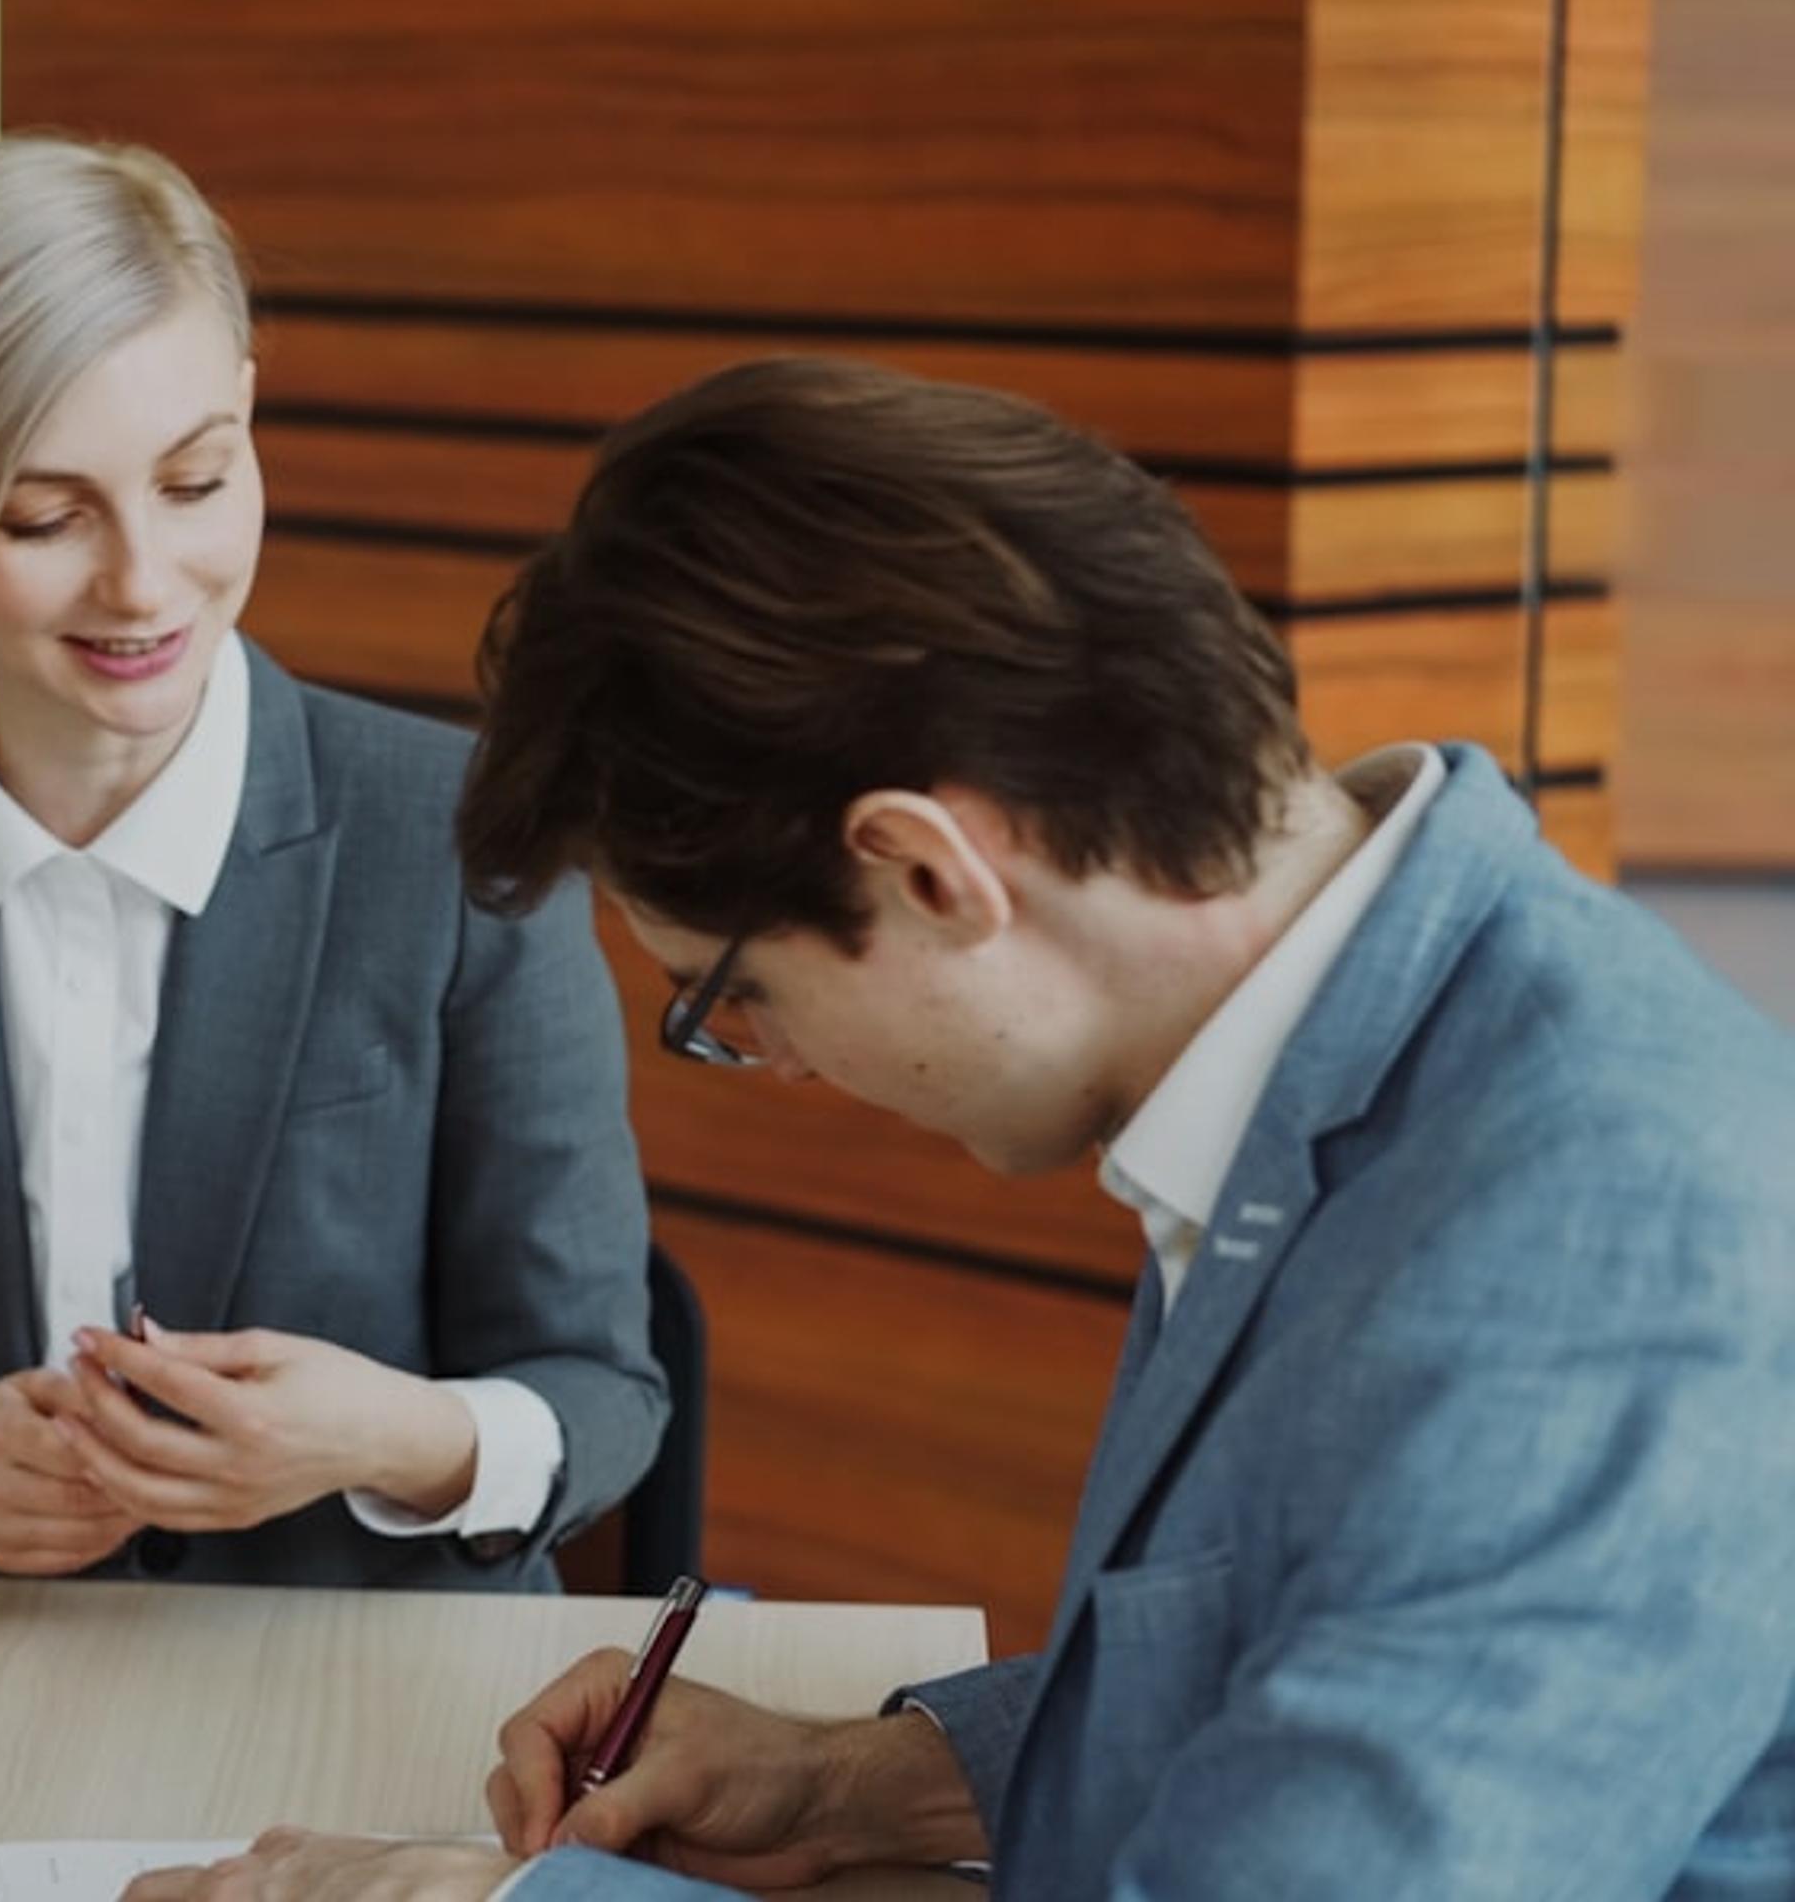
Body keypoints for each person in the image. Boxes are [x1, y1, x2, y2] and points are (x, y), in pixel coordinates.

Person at [128, 357, 1795, 1900]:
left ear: (931, 873)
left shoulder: (1611, 1242)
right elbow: (1305, 1637)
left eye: (730, 998)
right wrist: (876, 1778)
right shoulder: (1353, 1038)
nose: (764, 1062)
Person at [0, 135, 660, 1591]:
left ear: (249, 426)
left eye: (197, 480)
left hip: (357, 1686)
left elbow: (606, 1391)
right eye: (45, 514)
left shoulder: (461, 841)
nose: (145, 581)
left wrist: (388, 1438)